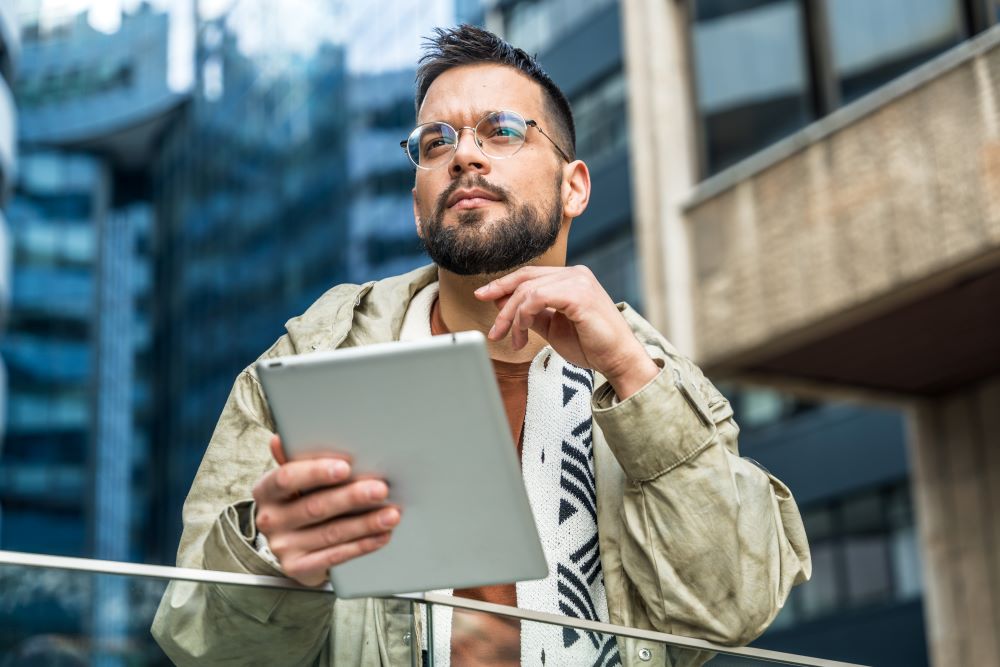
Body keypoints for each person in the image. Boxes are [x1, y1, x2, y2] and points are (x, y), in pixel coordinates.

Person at [152, 24, 811, 667]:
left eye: (502, 130)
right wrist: (271, 560)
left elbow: (734, 609)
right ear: (417, 205)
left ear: (574, 185)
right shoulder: (306, 366)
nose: (463, 154)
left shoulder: (660, 384)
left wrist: (630, 373)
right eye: (436, 142)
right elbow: (199, 644)